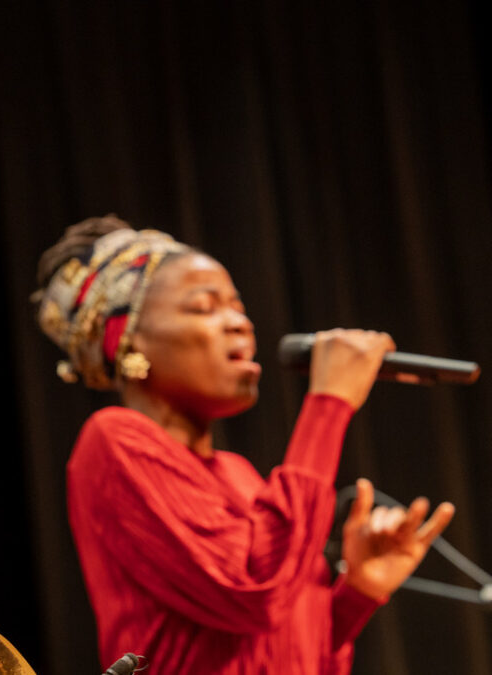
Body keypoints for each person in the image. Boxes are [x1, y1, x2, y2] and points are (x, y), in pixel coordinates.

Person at [34, 215, 455, 674]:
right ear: (127, 338)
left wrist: (358, 594)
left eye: (238, 307)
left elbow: (284, 650)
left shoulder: (237, 474)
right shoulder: (114, 440)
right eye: (204, 307)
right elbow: (255, 589)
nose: (240, 324)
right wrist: (329, 404)